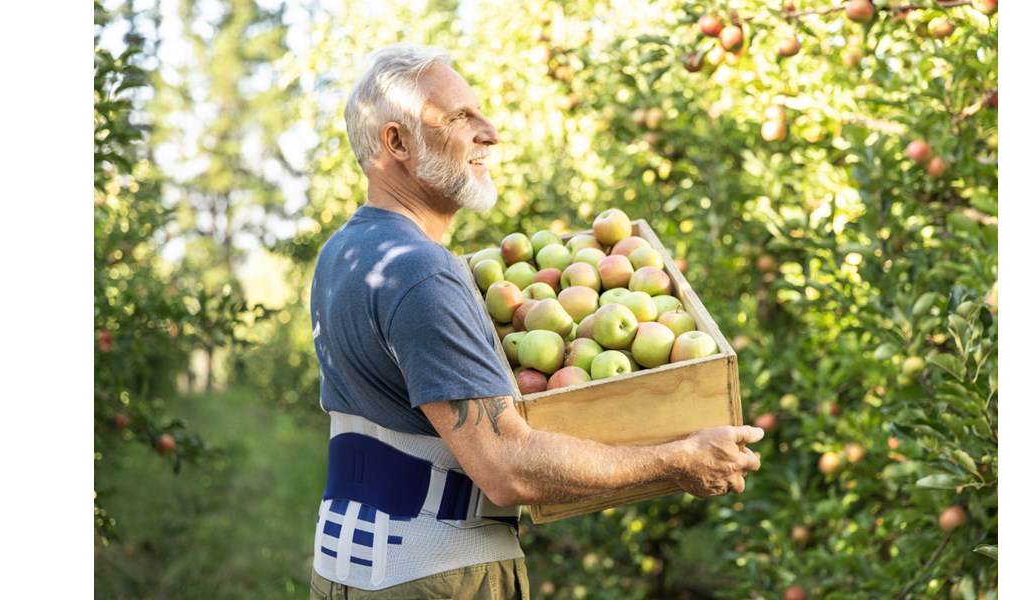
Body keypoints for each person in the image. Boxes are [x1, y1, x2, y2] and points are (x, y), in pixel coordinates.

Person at [307, 42, 764, 599]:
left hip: (347, 570)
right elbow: (507, 470)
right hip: (438, 576)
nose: (490, 132)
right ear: (396, 142)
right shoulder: (423, 273)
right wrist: (678, 461)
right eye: (459, 118)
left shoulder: (344, 254)